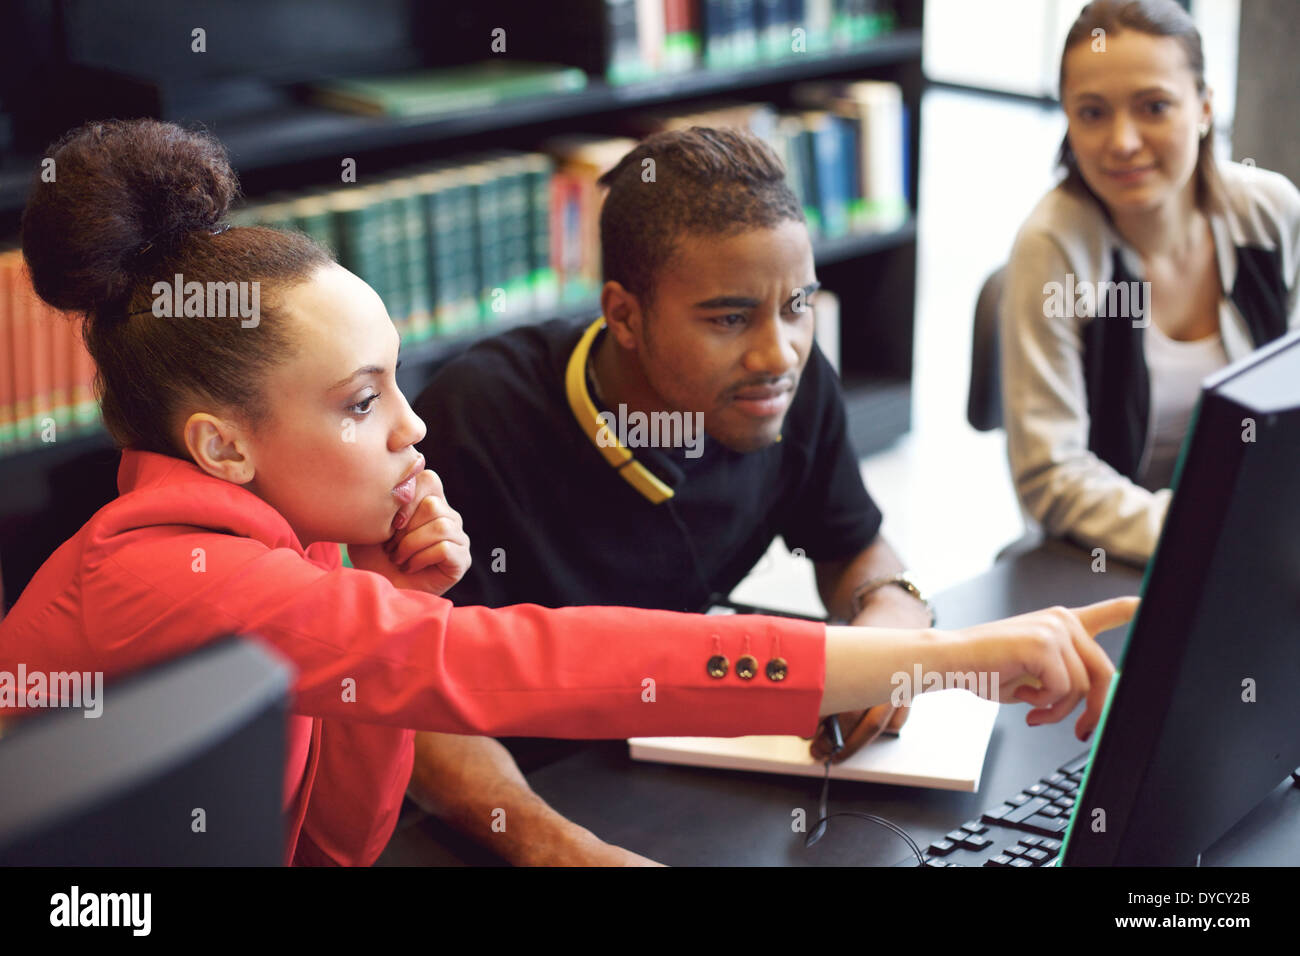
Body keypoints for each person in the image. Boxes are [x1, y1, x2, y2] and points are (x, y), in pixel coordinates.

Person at [0, 118, 1131, 867]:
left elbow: (333, 844)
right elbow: (536, 660)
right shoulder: (174, 573)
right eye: (360, 402)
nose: (413, 423)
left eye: (396, 381)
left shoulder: (287, 554)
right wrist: (948, 655)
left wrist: (395, 589)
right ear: (224, 445)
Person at [401, 127, 1040, 864]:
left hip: (672, 765)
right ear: (625, 316)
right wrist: (555, 848)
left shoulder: (786, 387)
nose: (780, 354)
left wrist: (891, 612)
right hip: (515, 795)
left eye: (797, 306)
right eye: (730, 318)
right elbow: (413, 699)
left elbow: (852, 542)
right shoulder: (478, 418)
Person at [1000, 0, 1300, 566]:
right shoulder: (1053, 247)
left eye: (1154, 107)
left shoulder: (1271, 214)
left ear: (1206, 107)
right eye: (1092, 113)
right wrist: (1202, 531)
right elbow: (1051, 475)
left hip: (1258, 540)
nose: (1122, 141)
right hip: (1103, 560)